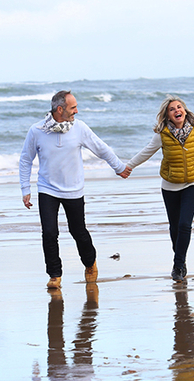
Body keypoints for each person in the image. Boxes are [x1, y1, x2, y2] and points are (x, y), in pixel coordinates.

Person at [20, 90, 130, 290]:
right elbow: (26, 159)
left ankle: (90, 263)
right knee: (49, 233)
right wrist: (25, 188)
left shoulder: (79, 128)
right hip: (47, 189)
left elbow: (101, 148)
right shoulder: (36, 131)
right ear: (59, 109)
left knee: (78, 231)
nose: (77, 111)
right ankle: (55, 275)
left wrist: (119, 167)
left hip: (74, 190)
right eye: (73, 107)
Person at [124, 96, 194, 282]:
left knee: (184, 225)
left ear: (184, 111)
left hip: (193, 182)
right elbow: (146, 152)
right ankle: (181, 261)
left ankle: (178, 265)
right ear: (167, 115)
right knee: (175, 228)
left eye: (179, 107)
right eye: (172, 109)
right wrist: (128, 166)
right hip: (170, 185)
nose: (177, 110)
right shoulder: (162, 134)